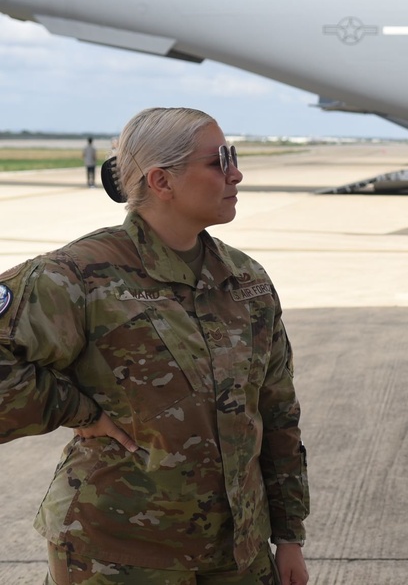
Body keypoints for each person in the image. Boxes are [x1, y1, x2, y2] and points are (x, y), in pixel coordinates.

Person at [0, 108, 310, 584]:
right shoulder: (79, 275)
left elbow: (276, 410)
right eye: (219, 160)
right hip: (117, 555)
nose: (236, 173)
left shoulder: (246, 280)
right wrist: (76, 410)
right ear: (162, 181)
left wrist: (289, 535)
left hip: (238, 554)